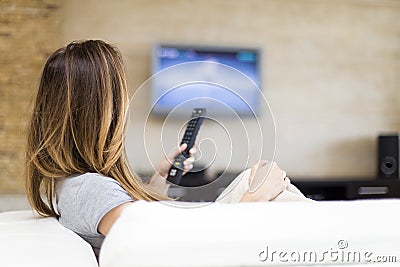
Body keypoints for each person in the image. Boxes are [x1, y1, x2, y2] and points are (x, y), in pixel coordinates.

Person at [25, 40, 300, 258]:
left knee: (263, 177)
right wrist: (250, 203)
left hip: (209, 234)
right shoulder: (91, 190)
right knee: (267, 182)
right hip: (213, 244)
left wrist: (160, 179)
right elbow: (171, 248)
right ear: (102, 113)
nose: (127, 105)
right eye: (122, 96)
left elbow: (140, 226)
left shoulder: (73, 185)